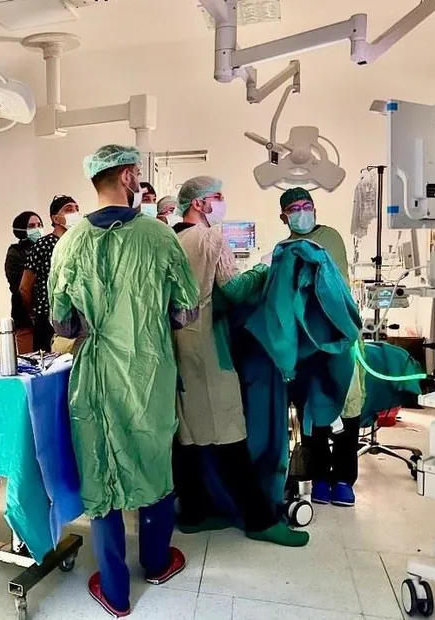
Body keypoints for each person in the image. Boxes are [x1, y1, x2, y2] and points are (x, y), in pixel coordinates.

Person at [48, 145, 199, 616]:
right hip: (148, 370)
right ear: (130, 176)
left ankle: (114, 590)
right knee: (152, 461)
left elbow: (61, 322)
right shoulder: (159, 235)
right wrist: (143, 322)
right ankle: (156, 562)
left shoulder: (69, 242)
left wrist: (99, 322)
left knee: (100, 469)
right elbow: (186, 310)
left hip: (94, 374)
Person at [170, 176, 309, 548]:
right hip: (207, 349)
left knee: (188, 435)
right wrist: (265, 267)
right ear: (198, 203)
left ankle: (193, 513)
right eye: (217, 197)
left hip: (176, 349)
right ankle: (260, 520)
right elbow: (235, 289)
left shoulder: (170, 240)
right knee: (230, 433)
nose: (221, 203)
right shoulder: (210, 239)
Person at [280, 186, 363, 507]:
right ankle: (320, 478)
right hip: (306, 343)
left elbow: (325, 278)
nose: (302, 212)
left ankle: (343, 480)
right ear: (284, 217)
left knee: (346, 407)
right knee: (312, 411)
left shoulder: (329, 237)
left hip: (338, 334)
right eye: (294, 209)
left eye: (307, 206)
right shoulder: (283, 248)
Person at [20, 196, 80, 353]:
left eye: (76, 209)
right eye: (68, 209)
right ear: (55, 218)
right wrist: (35, 312)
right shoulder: (43, 245)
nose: (74, 213)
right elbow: (24, 287)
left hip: (74, 316)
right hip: (47, 317)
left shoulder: (78, 244)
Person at [5, 211, 44, 353]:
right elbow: (20, 286)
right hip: (24, 315)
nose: (37, 229)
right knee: (28, 357)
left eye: (39, 225)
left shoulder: (44, 248)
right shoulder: (15, 253)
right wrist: (31, 310)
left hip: (45, 316)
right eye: (32, 226)